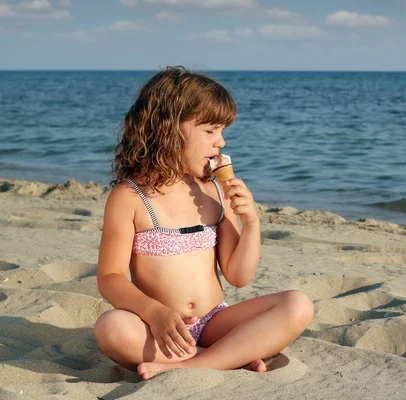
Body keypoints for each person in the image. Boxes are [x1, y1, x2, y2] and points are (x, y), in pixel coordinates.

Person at [94, 66, 314, 380]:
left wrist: (251, 223)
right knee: (110, 328)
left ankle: (196, 363)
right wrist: (153, 312)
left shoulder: (213, 192)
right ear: (167, 129)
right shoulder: (129, 198)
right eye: (210, 131)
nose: (220, 142)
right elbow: (110, 278)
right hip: (162, 329)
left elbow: (238, 276)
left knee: (298, 305)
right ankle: (229, 357)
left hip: (215, 323)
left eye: (223, 132)